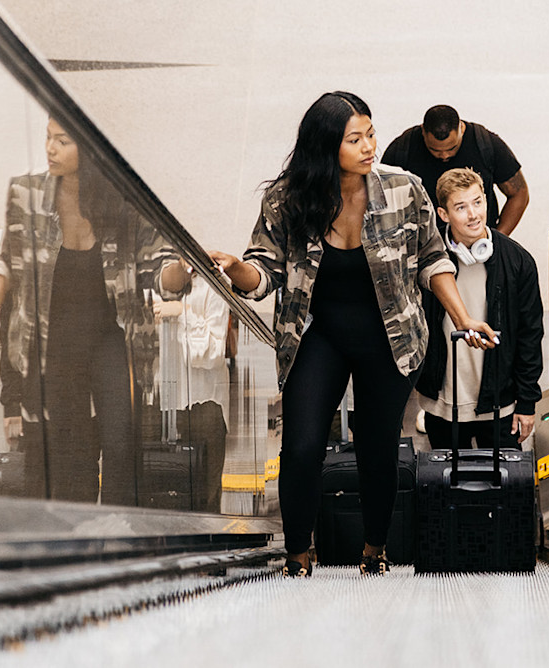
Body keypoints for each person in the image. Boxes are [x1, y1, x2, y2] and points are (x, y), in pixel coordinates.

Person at [208, 91, 497, 578]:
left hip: (391, 336)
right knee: (300, 446)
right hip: (315, 335)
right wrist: (238, 268)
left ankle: (374, 548)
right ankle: (298, 552)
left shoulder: (404, 189)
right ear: (326, 146)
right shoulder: (287, 199)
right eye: (355, 139)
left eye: (371, 134)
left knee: (377, 447)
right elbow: (264, 275)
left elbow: (432, 259)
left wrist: (463, 319)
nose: (369, 146)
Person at [0, 118, 174, 505]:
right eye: (48, 138)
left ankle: (118, 531)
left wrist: (183, 271)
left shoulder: (125, 202)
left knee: (120, 439)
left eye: (62, 141)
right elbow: (7, 264)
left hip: (111, 338)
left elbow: (159, 265)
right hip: (54, 342)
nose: (50, 148)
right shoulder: (26, 194)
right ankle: (79, 539)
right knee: (71, 455)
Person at [415, 169, 543, 451]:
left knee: (504, 489)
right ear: (443, 214)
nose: (473, 214)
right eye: (461, 207)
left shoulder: (518, 261)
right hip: (442, 404)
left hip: (501, 404)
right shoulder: (426, 261)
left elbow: (530, 335)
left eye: (478, 202)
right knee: (446, 488)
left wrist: (527, 402)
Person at [150, 272, 232, 512]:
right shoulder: (150, 278)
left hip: (205, 402)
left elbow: (214, 353)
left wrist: (181, 312)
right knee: (158, 493)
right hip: (156, 401)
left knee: (205, 498)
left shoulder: (212, 283)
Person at [381, 104, 529, 235]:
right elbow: (380, 203)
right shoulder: (402, 150)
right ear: (423, 133)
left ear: (461, 129)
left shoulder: (485, 143)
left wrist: (496, 241)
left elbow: (519, 193)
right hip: (422, 251)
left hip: (477, 247)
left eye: (452, 148)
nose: (444, 155)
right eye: (435, 150)